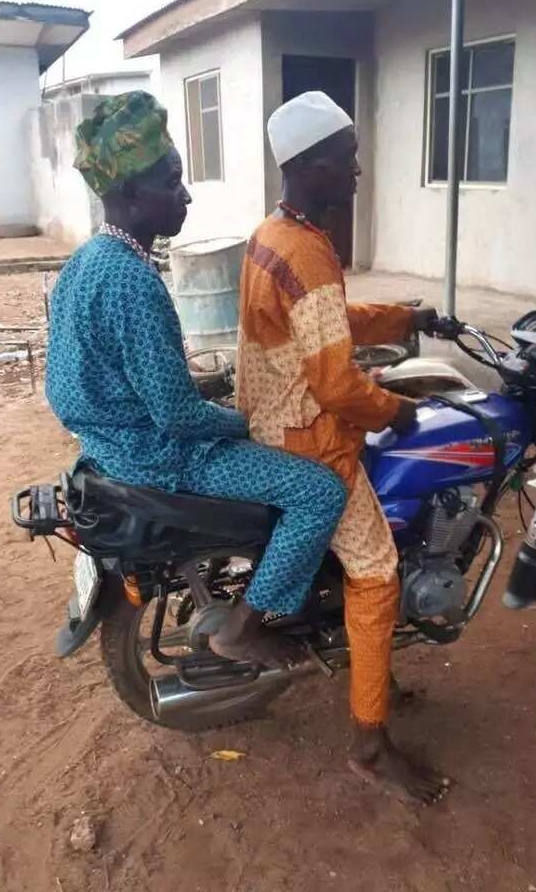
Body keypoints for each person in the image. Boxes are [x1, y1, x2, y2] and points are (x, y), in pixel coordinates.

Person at [45, 91, 347, 669]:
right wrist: (245, 420)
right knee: (318, 492)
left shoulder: (86, 262)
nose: (184, 193)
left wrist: (212, 388)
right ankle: (245, 628)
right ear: (132, 193)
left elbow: (94, 380)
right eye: (171, 180)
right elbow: (177, 419)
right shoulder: (134, 283)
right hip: (158, 457)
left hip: (109, 447)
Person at [236, 90, 448, 804]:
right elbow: (333, 381)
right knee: (377, 571)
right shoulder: (306, 251)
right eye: (346, 159)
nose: (357, 171)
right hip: (306, 435)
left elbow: (326, 324)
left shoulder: (274, 233)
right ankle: (368, 743)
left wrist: (404, 316)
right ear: (310, 166)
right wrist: (396, 410)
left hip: (268, 416)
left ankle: (373, 663)